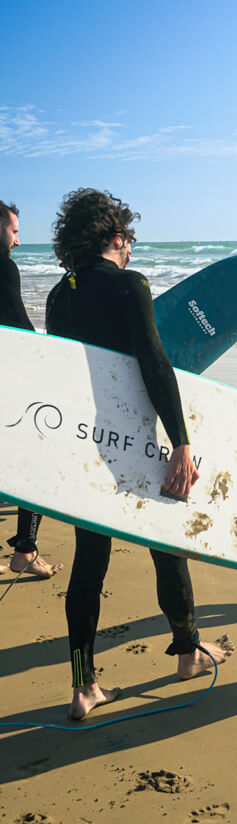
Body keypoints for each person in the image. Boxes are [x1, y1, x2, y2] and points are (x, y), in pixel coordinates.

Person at [46, 188, 229, 719]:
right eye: (129, 241)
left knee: (89, 562)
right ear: (117, 237)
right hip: (137, 440)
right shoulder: (131, 284)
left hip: (85, 441)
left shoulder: (58, 296)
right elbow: (153, 362)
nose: (130, 251)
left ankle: (83, 686)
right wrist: (182, 441)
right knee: (166, 544)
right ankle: (188, 653)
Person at [0, 199, 63, 579]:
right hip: (10, 385)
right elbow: (19, 327)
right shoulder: (4, 267)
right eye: (14, 231)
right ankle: (25, 547)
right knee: (36, 460)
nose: (18, 241)